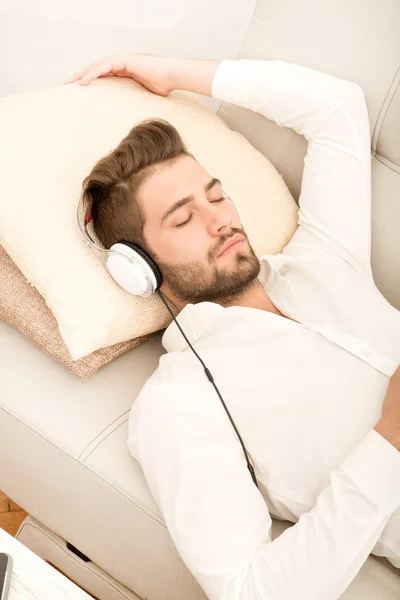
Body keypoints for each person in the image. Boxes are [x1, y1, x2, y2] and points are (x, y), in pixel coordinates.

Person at [66, 53, 400, 600]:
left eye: (216, 195)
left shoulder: (321, 259)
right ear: (139, 268)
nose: (220, 218)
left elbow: (338, 109)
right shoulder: (183, 401)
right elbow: (250, 591)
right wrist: (390, 442)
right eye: (183, 217)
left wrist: (178, 75)